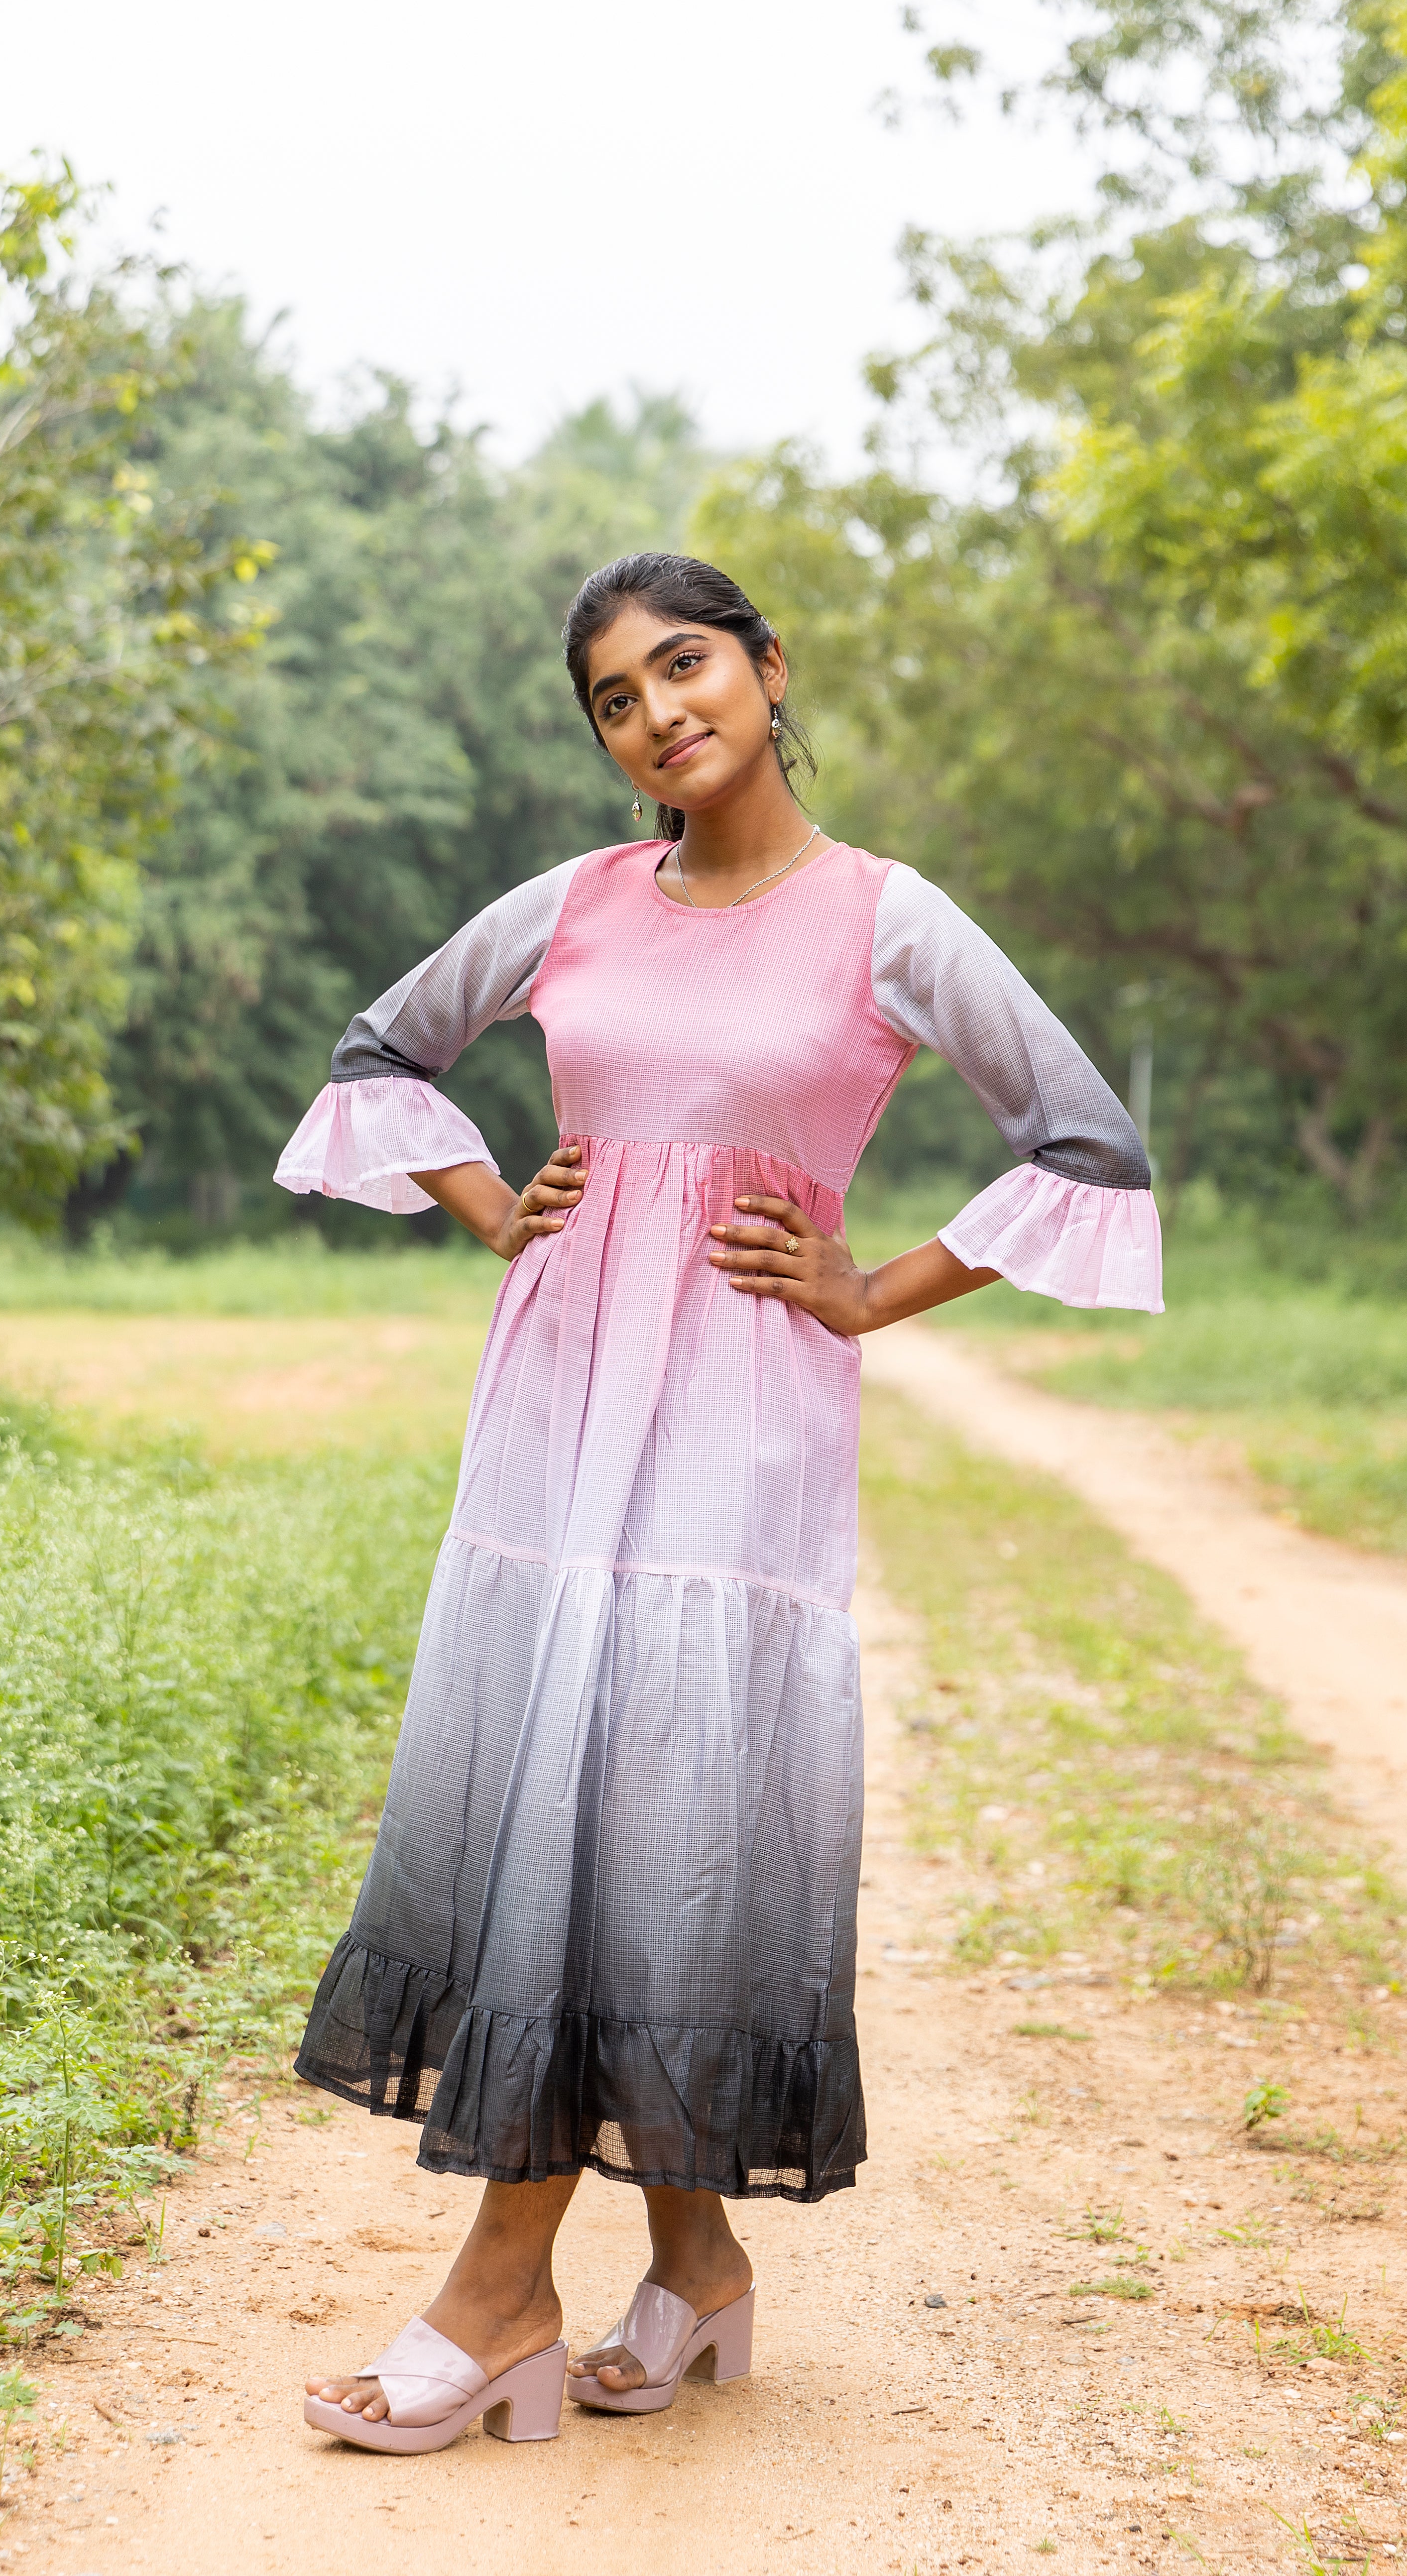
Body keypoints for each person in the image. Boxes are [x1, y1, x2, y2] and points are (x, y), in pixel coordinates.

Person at [275, 553, 1163, 2454]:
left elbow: (1089, 1141)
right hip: (556, 1413)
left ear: (765, 668)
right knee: (578, 1788)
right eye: (615, 696)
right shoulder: (575, 907)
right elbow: (381, 1052)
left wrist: (866, 1289)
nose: (659, 711)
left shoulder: (888, 922)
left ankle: (495, 2293)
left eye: (684, 666)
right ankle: (699, 2275)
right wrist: (489, 1205)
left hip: (738, 1433)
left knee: (648, 1802)